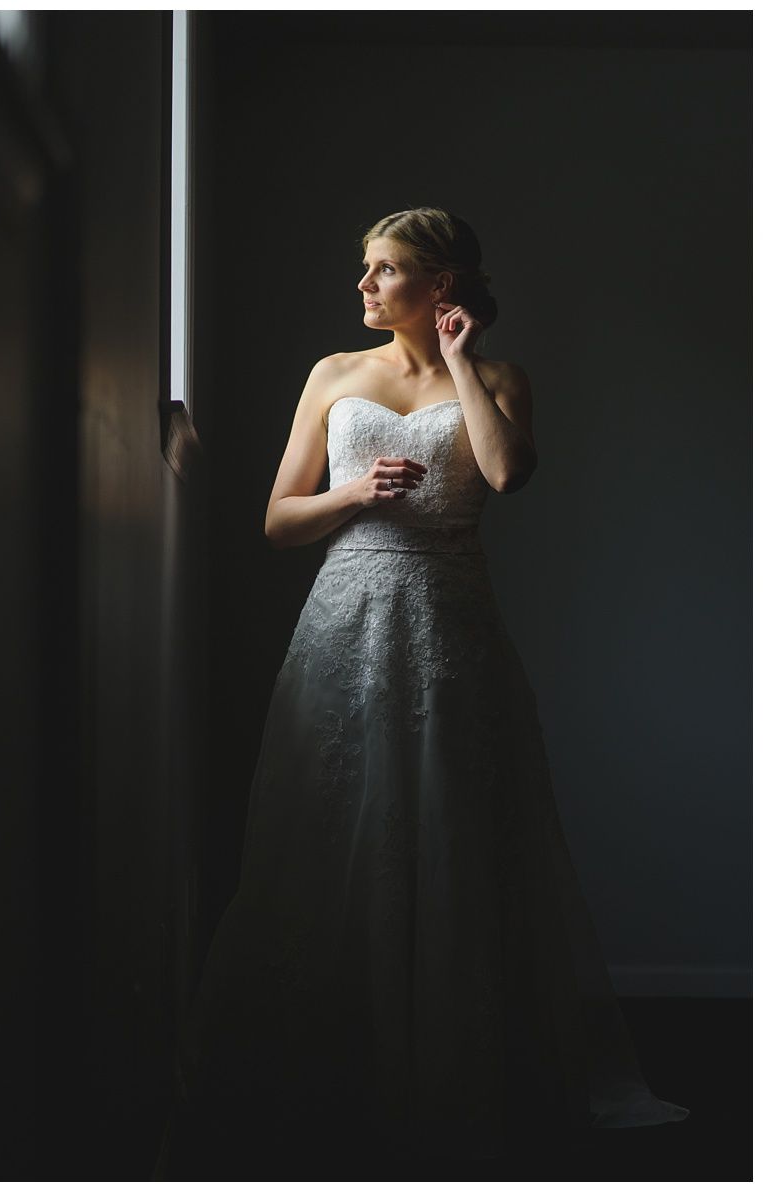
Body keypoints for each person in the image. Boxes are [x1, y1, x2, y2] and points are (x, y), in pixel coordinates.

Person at [155, 207, 689, 1175]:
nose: (362, 286)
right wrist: (356, 496)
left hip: (449, 632)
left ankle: (447, 1071)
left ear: (438, 288)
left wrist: (458, 362)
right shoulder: (331, 376)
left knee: (450, 833)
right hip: (342, 625)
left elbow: (503, 469)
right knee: (328, 830)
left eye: (384, 269)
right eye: (364, 269)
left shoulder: (494, 381)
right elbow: (277, 517)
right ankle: (333, 1069)